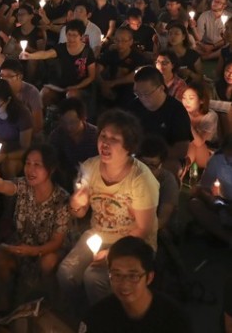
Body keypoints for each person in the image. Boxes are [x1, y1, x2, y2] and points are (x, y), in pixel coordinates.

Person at [57, 109, 158, 313]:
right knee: (66, 273)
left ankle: (108, 320)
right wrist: (77, 202)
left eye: (114, 139)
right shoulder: (89, 168)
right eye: (103, 136)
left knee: (94, 278)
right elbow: (78, 213)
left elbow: (143, 228)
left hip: (133, 244)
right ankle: (84, 315)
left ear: (128, 145)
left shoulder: (141, 179)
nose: (105, 143)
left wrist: (112, 253)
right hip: (98, 236)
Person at [0, 143, 70, 313]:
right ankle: (4, 303)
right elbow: (5, 186)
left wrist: (33, 251)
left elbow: (57, 242)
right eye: (28, 163)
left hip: (47, 249)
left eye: (37, 165)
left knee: (49, 262)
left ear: (50, 169)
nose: (30, 169)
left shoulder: (62, 199)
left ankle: (52, 304)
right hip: (22, 243)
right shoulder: (22, 185)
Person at [80, 236, 191, 333]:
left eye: (133, 276)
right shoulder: (99, 316)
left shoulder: (173, 319)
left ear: (149, 277)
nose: (124, 284)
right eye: (117, 275)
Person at [124, 65, 191, 171]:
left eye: (146, 93)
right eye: (137, 93)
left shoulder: (176, 110)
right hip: (138, 154)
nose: (141, 98)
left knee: (171, 168)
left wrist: (151, 157)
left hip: (165, 157)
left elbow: (181, 149)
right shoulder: (133, 107)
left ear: (161, 88)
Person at [47, 97, 99, 188]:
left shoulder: (96, 136)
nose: (68, 127)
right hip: (65, 178)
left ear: (83, 118)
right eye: (64, 122)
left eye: (73, 122)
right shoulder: (57, 135)